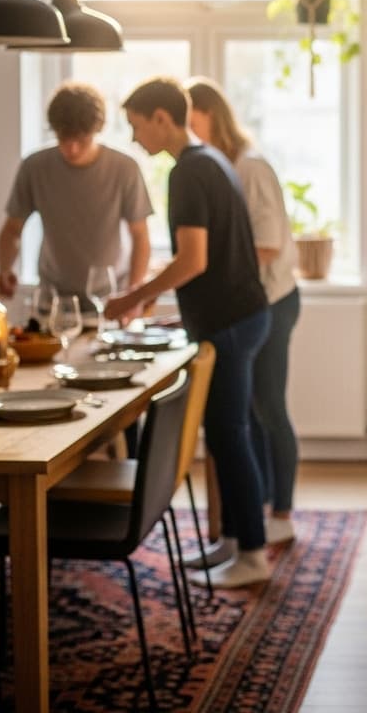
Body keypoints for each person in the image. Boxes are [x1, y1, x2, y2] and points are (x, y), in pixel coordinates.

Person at [104, 77, 272, 588]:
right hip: (241, 316)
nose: (135, 138)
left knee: (228, 437)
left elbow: (193, 260)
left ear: (162, 118)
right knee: (229, 435)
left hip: (229, 323)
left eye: (136, 126)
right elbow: (206, 257)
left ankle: (253, 555)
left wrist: (132, 298)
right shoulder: (211, 159)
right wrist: (159, 299)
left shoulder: (187, 171)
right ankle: (234, 543)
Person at [185, 76, 300, 546]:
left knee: (269, 408)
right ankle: (258, 509)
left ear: (210, 114)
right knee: (247, 414)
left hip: (272, 300)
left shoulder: (250, 167)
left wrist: (210, 269)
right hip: (247, 304)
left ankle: (283, 513)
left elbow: (267, 245)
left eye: (190, 116)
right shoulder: (219, 166)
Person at [0, 81, 152, 316]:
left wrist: (133, 294)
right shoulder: (35, 166)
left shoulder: (125, 168)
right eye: (64, 139)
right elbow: (12, 230)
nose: (73, 149)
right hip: (52, 302)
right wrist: (5, 268)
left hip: (109, 300)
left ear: (96, 130)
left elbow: (140, 236)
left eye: (81, 140)